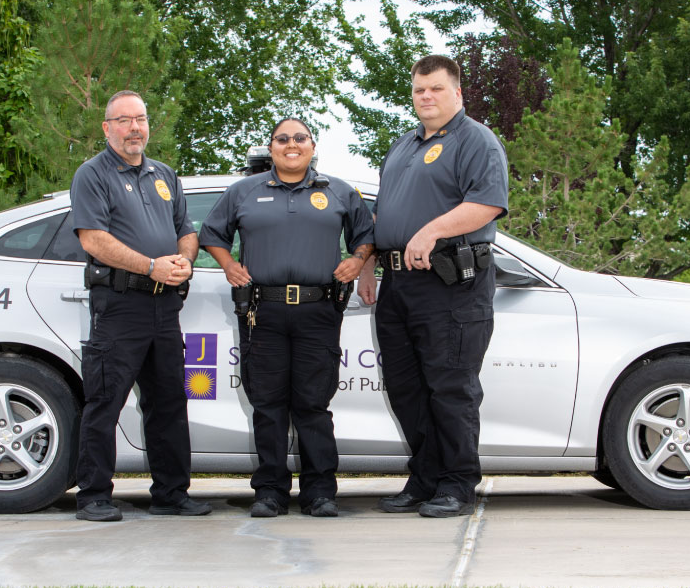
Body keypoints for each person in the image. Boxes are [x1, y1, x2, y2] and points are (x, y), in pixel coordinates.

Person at [357, 55, 509, 518]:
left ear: (457, 93)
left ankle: (457, 483)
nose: (427, 96)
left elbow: (486, 204)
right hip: (399, 285)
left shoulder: (476, 141)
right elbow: (385, 212)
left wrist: (432, 230)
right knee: (407, 389)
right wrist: (368, 261)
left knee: (451, 388)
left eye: (436, 89)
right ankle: (423, 479)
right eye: (420, 89)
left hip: (450, 284)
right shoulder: (402, 145)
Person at [200, 117, 375, 517]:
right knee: (268, 404)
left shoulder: (339, 191)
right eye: (282, 139)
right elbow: (212, 234)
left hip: (319, 309)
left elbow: (366, 235)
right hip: (263, 311)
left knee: (314, 405)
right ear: (271, 147)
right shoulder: (244, 191)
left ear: (313, 146)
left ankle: (319, 493)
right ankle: (270, 492)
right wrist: (228, 265)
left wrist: (358, 260)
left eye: (300, 138)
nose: (291, 145)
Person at [68, 90, 212, 521]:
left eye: (141, 119)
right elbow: (93, 239)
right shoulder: (92, 174)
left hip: (163, 307)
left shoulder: (163, 174)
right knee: (104, 402)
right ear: (107, 127)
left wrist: (183, 261)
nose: (135, 128)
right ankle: (93, 495)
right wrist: (151, 265)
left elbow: (185, 230)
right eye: (125, 120)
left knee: (169, 402)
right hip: (119, 304)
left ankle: (171, 494)